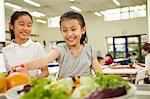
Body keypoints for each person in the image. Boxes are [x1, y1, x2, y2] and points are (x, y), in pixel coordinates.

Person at [13, 11, 102, 78]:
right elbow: (45, 60)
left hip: (86, 91)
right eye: (64, 30)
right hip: (65, 91)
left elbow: (99, 73)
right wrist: (25, 66)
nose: (69, 34)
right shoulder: (60, 48)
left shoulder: (90, 49)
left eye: (73, 29)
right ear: (61, 31)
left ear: (83, 30)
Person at [2, 11, 49, 79]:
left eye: (29, 25)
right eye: (21, 24)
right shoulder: (5, 50)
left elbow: (45, 72)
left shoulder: (37, 47)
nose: (25, 29)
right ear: (11, 26)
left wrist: (31, 81)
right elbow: (8, 72)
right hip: (13, 88)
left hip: (30, 88)